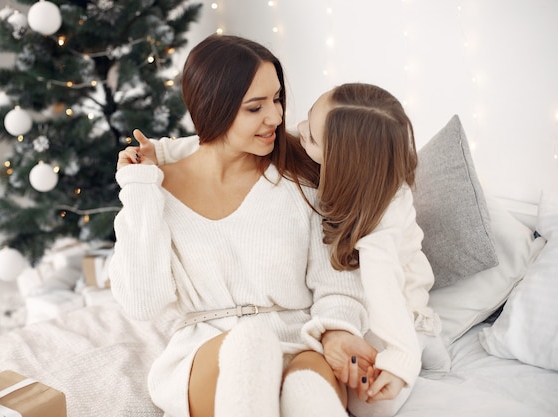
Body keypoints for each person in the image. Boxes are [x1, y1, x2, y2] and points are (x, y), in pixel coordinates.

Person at [144, 82, 452, 416]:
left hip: (399, 322)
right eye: (307, 118)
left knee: (367, 403)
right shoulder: (332, 161)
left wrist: (402, 359)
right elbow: (222, 141)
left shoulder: (387, 209)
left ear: (338, 159)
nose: (294, 128)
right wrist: (162, 153)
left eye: (311, 136)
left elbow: (384, 286)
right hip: (359, 309)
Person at [109, 34, 377, 417]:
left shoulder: (301, 177)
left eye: (277, 98)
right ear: (212, 108)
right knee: (251, 343)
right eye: (256, 107)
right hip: (210, 349)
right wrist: (139, 190)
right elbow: (143, 302)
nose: (277, 117)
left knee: (310, 390)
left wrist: (337, 329)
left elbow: (338, 280)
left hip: (301, 342)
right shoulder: (155, 187)